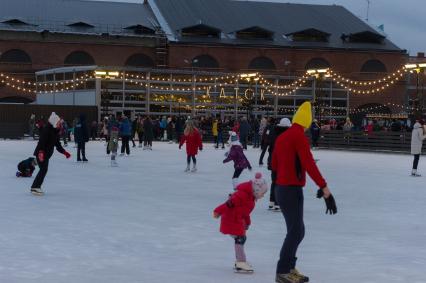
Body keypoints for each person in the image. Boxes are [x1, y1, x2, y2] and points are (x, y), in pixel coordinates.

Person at [272, 102, 337, 283]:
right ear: (306, 121)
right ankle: (283, 271)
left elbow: (274, 165)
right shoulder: (298, 137)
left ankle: (289, 268)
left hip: (282, 189)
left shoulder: (282, 137)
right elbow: (309, 164)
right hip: (291, 190)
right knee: (295, 231)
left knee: (298, 231)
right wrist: (324, 187)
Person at [213, 172, 268, 273]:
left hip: (238, 220)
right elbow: (228, 204)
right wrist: (217, 211)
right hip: (231, 219)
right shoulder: (241, 195)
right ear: (256, 190)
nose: (263, 196)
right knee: (240, 238)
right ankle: (241, 263)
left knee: (241, 238)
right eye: (262, 193)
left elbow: (245, 211)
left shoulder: (250, 197)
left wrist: (247, 222)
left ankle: (240, 262)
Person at [31, 112, 71, 195]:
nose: (60, 124)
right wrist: (41, 153)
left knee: (43, 170)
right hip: (41, 154)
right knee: (43, 170)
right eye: (58, 123)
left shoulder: (54, 131)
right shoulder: (47, 130)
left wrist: (64, 152)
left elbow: (57, 145)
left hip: (46, 155)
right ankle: (35, 187)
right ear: (54, 122)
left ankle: (35, 186)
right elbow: (42, 142)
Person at [267, 117, 292, 211]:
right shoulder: (286, 135)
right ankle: (278, 203)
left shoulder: (273, 132)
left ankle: (271, 202)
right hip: (281, 162)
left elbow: (270, 147)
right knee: (281, 183)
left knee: (274, 182)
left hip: (272, 160)